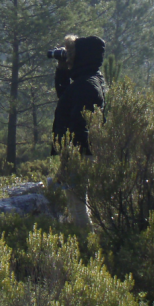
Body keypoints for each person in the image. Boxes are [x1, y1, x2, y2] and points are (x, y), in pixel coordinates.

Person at [51, 34, 106, 227]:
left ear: (82, 56)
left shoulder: (86, 86)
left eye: (71, 53)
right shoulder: (90, 80)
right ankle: (84, 241)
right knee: (77, 201)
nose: (69, 57)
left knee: (77, 204)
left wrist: (70, 159)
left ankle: (85, 244)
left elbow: (79, 126)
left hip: (81, 153)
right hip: (82, 151)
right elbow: (65, 96)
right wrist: (62, 69)